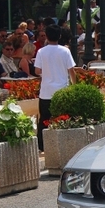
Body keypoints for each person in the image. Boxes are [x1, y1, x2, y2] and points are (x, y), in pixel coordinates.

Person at [34, 24, 77, 152]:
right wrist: (75, 85)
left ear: (46, 36)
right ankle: (64, 144)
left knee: (44, 120)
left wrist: (47, 73)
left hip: (46, 91)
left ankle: (41, 146)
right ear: (59, 36)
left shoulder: (41, 51)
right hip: (62, 91)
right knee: (65, 118)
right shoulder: (65, 51)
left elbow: (37, 70)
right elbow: (71, 71)